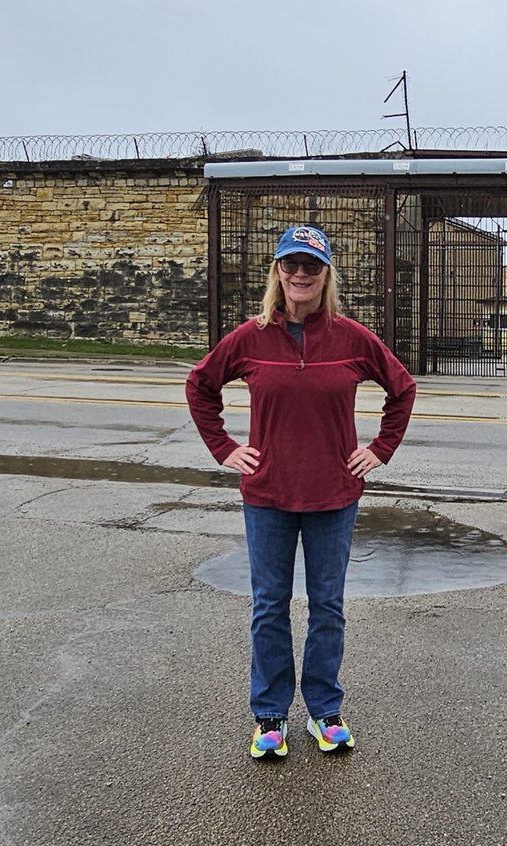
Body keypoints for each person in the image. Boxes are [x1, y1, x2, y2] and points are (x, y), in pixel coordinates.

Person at [186, 224, 416, 760]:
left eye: (311, 266)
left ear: (326, 274)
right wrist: (224, 448)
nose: (300, 274)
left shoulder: (352, 338)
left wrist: (380, 449)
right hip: (267, 495)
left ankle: (324, 709)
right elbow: (200, 385)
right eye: (290, 264)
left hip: (334, 495)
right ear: (278, 272)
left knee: (327, 606)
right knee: (270, 606)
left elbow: (402, 389)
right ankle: (269, 714)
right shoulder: (250, 337)